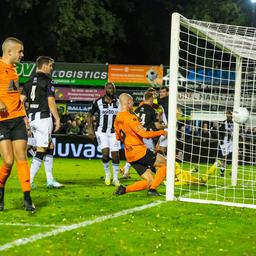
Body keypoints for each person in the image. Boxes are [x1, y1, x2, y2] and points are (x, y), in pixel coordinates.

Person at [0, 37, 35, 211]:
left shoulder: (14, 70)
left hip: (17, 119)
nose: (22, 54)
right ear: (9, 52)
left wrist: (24, 116)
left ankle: (27, 198)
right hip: (1, 122)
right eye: (20, 51)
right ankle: (0, 190)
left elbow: (13, 94)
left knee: (22, 157)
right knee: (7, 161)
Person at [21, 56, 63, 188]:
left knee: (50, 146)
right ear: (44, 66)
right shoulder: (47, 81)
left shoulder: (28, 82)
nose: (51, 68)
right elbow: (51, 101)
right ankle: (29, 180)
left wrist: (25, 117)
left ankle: (50, 180)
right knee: (42, 148)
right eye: (50, 66)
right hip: (44, 118)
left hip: (33, 118)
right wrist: (57, 119)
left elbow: (20, 101)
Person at [114, 93, 167, 196]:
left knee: (149, 180)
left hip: (129, 156)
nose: (133, 103)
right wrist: (162, 132)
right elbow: (144, 134)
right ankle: (153, 190)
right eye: (132, 101)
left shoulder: (117, 118)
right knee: (167, 164)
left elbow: (118, 137)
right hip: (139, 152)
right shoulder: (130, 117)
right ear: (128, 102)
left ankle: (124, 190)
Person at [87, 82, 121, 186]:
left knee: (115, 155)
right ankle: (107, 175)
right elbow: (89, 115)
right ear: (105, 89)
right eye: (110, 88)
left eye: (113, 88)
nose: (112, 90)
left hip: (114, 132)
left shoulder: (119, 102)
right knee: (105, 154)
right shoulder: (98, 102)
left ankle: (115, 179)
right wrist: (90, 130)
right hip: (102, 132)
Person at [217, 110, 233, 177]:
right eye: (227, 114)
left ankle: (233, 172)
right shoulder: (224, 123)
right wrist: (221, 141)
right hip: (225, 142)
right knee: (224, 157)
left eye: (229, 114)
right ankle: (222, 172)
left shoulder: (235, 122)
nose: (228, 115)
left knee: (234, 156)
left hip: (232, 142)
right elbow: (220, 132)